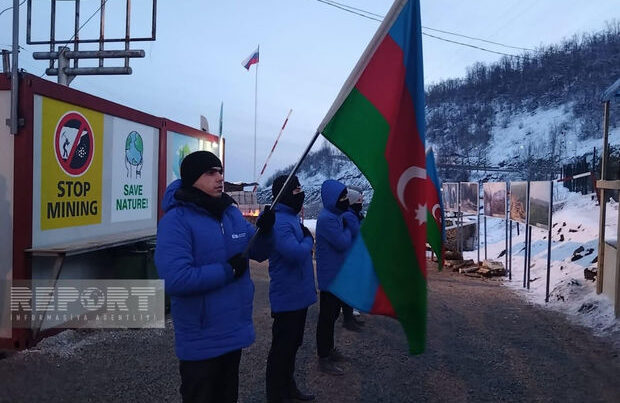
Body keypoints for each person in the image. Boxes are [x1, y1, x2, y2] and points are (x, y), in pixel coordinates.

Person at [155, 151, 275, 403]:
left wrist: (266, 231)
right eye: (211, 172)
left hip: (232, 330)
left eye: (220, 171)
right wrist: (227, 270)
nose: (219, 178)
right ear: (192, 178)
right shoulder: (176, 220)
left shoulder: (229, 213)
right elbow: (175, 278)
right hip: (201, 339)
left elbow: (258, 252)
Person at [265, 175, 317, 403]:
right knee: (282, 349)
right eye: (296, 191)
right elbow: (295, 253)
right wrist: (309, 241)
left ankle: (288, 386)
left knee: (293, 345)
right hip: (287, 297)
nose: (301, 194)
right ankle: (276, 394)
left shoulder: (290, 218)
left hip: (299, 296)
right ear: (285, 193)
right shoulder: (279, 221)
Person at [315, 179, 360, 375]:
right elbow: (342, 242)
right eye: (342, 197)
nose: (345, 200)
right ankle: (323, 356)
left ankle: (329, 349)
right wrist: (349, 228)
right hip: (329, 278)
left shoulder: (336, 216)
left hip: (336, 275)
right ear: (333, 199)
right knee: (326, 317)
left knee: (332, 316)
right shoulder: (327, 219)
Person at [340, 187, 365, 332]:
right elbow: (357, 232)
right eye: (359, 201)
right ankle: (348, 316)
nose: (361, 204)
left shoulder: (354, 214)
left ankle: (350, 315)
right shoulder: (350, 216)